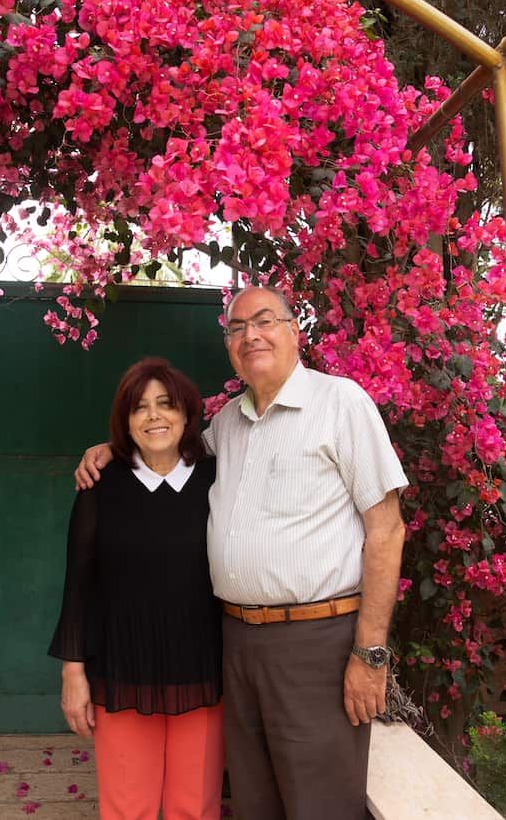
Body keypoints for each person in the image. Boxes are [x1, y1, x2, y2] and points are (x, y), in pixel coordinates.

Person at [76, 286, 408, 820]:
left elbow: (387, 531)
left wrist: (369, 653)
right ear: (229, 345)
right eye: (236, 327)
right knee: (255, 800)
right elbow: (164, 449)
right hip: (233, 641)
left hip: (314, 644)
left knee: (320, 802)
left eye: (264, 321)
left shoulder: (341, 403)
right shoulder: (226, 424)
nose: (250, 335)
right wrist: (109, 451)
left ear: (294, 331)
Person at [49, 357, 226, 820]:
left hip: (203, 667)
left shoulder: (218, 479)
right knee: (128, 807)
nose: (153, 417)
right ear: (124, 423)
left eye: (165, 405)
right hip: (122, 665)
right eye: (139, 408)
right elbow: (79, 584)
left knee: (196, 807)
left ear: (187, 414)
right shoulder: (100, 484)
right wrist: (73, 674)